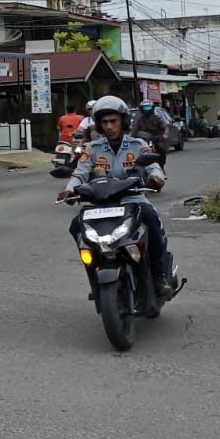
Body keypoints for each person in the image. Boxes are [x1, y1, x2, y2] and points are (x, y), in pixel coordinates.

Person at [57, 95, 175, 294]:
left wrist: (156, 177)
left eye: (114, 121)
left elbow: (154, 166)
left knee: (152, 222)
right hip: (101, 205)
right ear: (99, 125)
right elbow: (80, 173)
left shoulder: (138, 145)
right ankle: (94, 274)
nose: (109, 126)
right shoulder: (92, 149)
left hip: (133, 201)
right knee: (76, 226)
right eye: (105, 122)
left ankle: (159, 275)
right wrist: (69, 189)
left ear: (123, 122)